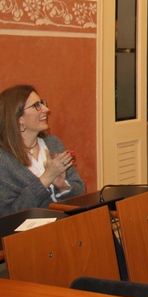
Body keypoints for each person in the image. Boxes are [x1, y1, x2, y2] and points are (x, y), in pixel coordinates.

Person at [0, 84, 86, 216]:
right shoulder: (3, 160)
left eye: (42, 103)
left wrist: (63, 186)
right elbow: (9, 214)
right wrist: (47, 178)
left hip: (67, 223)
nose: (46, 109)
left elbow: (81, 193)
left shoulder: (53, 143)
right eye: (36, 106)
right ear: (19, 118)